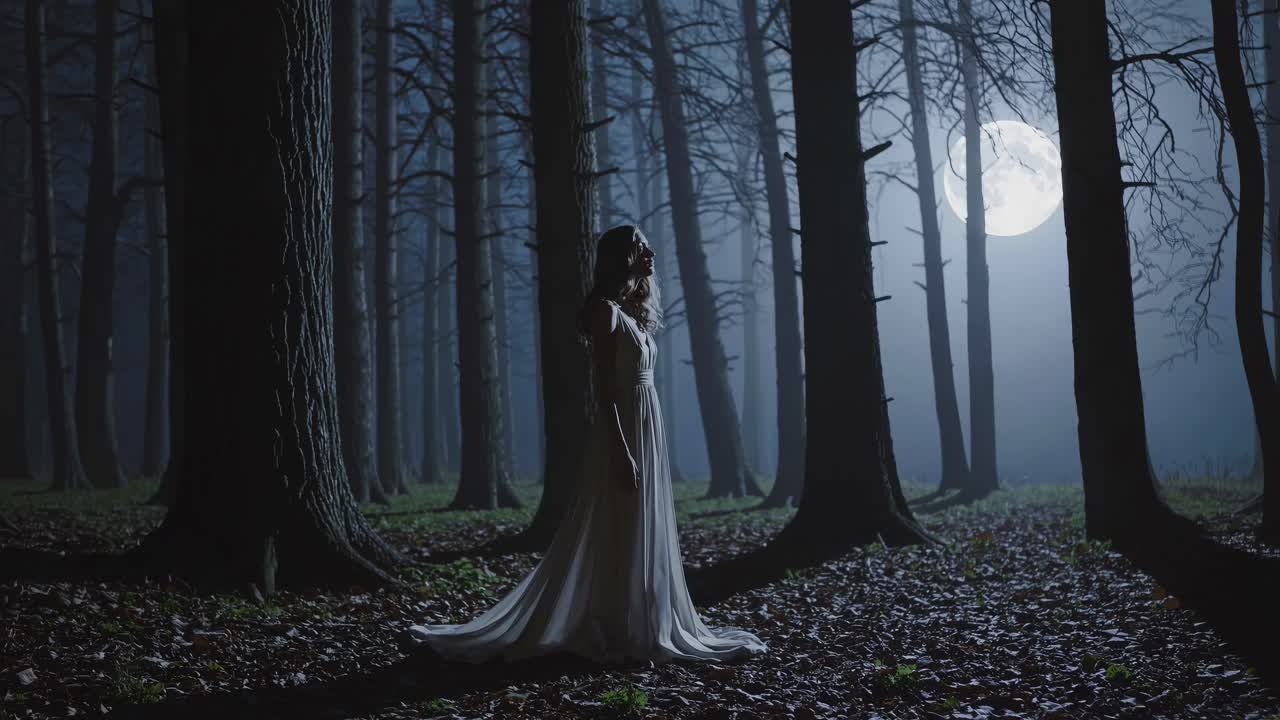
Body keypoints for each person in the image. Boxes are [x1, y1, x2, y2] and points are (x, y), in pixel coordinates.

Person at [404, 224, 766, 664]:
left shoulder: (633, 312)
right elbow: (605, 391)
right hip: (624, 428)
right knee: (619, 522)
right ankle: (617, 624)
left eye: (649, 245)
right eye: (640, 246)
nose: (649, 252)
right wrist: (622, 451)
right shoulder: (606, 311)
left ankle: (642, 618)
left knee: (639, 522)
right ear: (622, 256)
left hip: (646, 422)